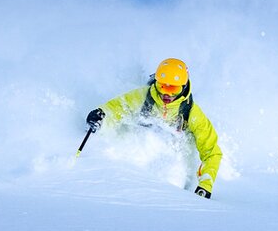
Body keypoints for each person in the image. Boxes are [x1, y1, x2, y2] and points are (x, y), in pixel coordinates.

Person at [84, 58, 222, 198]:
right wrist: (100, 117)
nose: (167, 94)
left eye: (173, 88)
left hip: (171, 163)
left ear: (184, 87)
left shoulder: (192, 113)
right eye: (163, 86)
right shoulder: (143, 96)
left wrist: (205, 185)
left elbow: (211, 152)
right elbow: (116, 108)